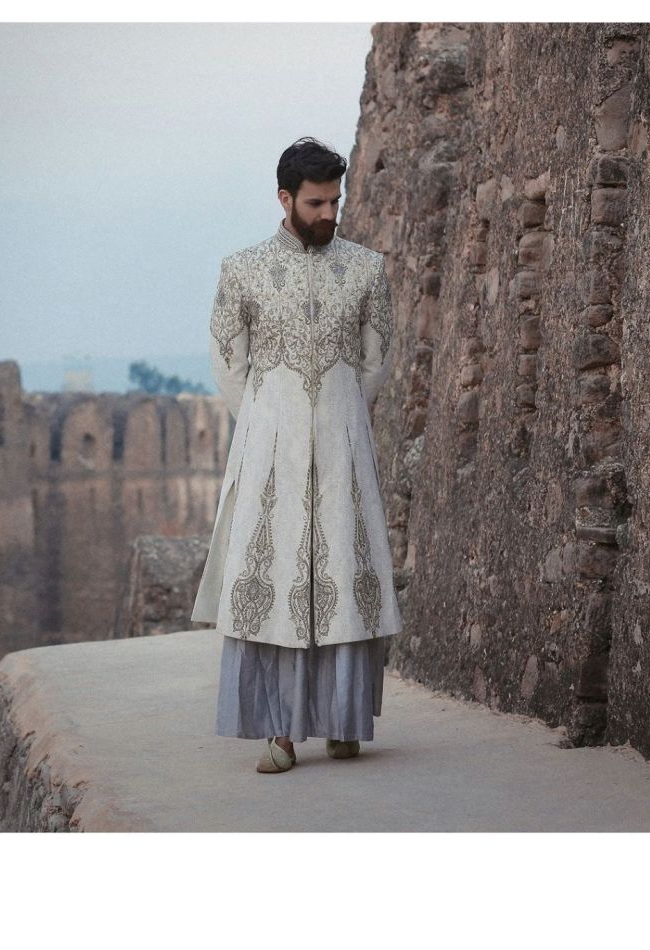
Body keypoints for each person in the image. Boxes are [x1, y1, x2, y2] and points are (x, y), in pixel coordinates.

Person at [188, 137, 403, 773]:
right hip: (268, 455)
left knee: (344, 575)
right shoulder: (242, 271)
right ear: (285, 199)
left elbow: (377, 359)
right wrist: (273, 422)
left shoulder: (365, 269)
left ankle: (344, 724)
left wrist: (336, 417)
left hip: (343, 450)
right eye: (316, 203)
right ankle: (279, 734)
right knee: (277, 578)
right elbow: (229, 364)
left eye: (335, 201)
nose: (329, 213)